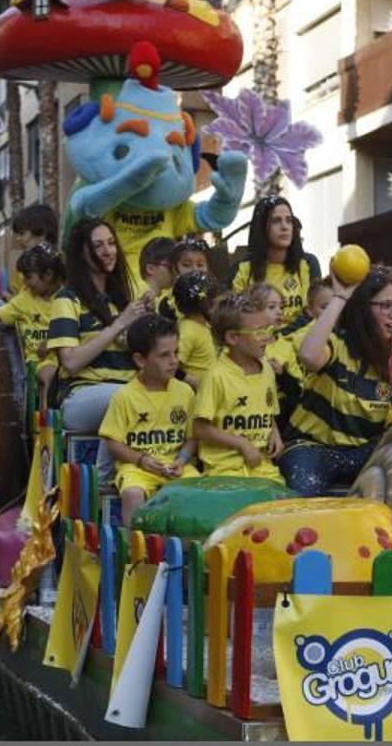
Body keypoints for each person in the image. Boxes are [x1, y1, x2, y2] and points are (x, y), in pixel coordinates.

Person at [278, 266, 392, 496]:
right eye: (386, 306)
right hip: (312, 449)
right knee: (305, 493)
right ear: (363, 308)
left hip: (363, 453)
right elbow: (309, 356)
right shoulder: (337, 343)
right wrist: (341, 297)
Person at [47, 218, 149, 479]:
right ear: (81, 253)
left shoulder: (124, 301)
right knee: (125, 397)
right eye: (98, 245)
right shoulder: (66, 300)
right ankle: (103, 481)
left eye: (112, 243)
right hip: (81, 395)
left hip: (131, 391)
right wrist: (119, 325)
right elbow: (70, 362)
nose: (108, 251)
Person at [99, 315, 199, 523]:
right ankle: (136, 543)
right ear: (140, 360)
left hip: (176, 466)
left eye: (176, 352)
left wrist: (181, 460)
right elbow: (113, 442)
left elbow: (192, 437)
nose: (174, 361)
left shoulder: (186, 392)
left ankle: (187, 543)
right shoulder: (125, 396)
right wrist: (141, 460)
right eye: (164, 355)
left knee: (197, 491)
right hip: (136, 468)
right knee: (133, 494)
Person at [193, 292, 284, 483]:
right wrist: (241, 444)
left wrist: (275, 433)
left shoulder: (267, 369)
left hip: (262, 468)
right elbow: (200, 428)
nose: (267, 338)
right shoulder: (216, 376)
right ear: (233, 337)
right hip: (224, 470)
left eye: (268, 329)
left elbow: (268, 412)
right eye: (259, 332)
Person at [0, 243, 65, 403]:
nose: (25, 283)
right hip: (39, 362)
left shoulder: (66, 298)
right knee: (49, 374)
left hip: (67, 356)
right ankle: (45, 415)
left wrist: (52, 343)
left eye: (29, 277)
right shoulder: (25, 299)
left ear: (48, 275)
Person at [226, 196, 321, 327]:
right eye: (276, 221)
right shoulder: (242, 270)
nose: (285, 227)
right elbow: (234, 320)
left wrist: (283, 334)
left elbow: (316, 314)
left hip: (303, 338)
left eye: (289, 221)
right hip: (259, 339)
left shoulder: (308, 264)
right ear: (261, 227)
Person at [173, 271, 220, 390]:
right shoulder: (187, 330)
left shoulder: (205, 324)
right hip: (196, 394)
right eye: (213, 296)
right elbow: (173, 366)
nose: (217, 299)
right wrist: (196, 384)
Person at [7, 203, 59, 295]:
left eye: (22, 233)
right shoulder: (23, 264)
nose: (18, 239)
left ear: (41, 232)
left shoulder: (59, 263)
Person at [139, 236, 177, 301]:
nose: (176, 272)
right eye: (171, 267)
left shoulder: (161, 295)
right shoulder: (141, 298)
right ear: (151, 269)